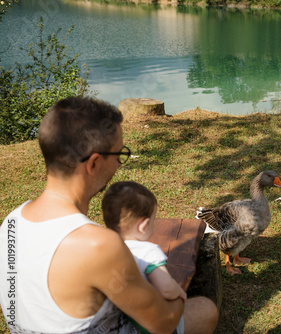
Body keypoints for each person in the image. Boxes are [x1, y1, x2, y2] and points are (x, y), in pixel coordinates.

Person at [0, 97, 218, 333]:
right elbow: (164, 324)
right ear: (93, 163)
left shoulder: (12, 221)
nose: (118, 166)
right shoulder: (97, 245)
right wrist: (175, 291)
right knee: (205, 309)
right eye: (119, 155)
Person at [102, 181, 187, 334]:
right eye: (153, 221)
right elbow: (166, 289)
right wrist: (179, 291)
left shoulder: (105, 249)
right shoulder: (147, 251)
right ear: (143, 225)